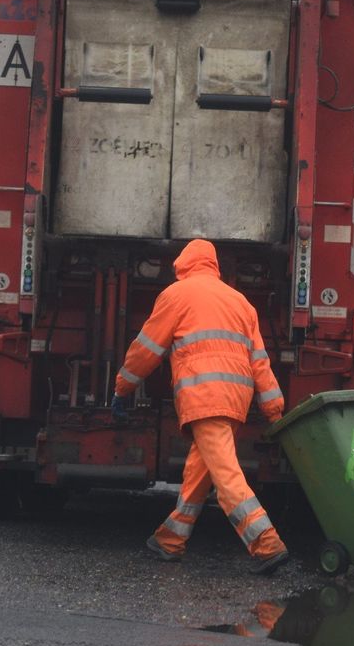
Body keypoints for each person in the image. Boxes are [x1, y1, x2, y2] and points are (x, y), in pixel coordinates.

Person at [111, 239, 290, 575]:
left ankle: (266, 542)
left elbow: (146, 349)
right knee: (200, 469)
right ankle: (170, 539)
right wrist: (273, 409)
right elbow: (260, 362)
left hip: (203, 395)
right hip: (236, 399)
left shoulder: (177, 295)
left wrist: (123, 388)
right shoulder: (241, 303)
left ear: (184, 263)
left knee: (225, 475)